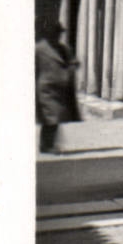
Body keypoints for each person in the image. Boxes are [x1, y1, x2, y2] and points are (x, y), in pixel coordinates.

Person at [36, 18, 79, 154]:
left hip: (60, 90)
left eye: (59, 33)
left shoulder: (63, 49)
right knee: (51, 117)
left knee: (54, 118)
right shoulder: (39, 49)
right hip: (46, 90)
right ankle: (47, 145)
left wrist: (72, 66)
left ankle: (46, 144)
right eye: (55, 33)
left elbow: (72, 61)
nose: (57, 36)